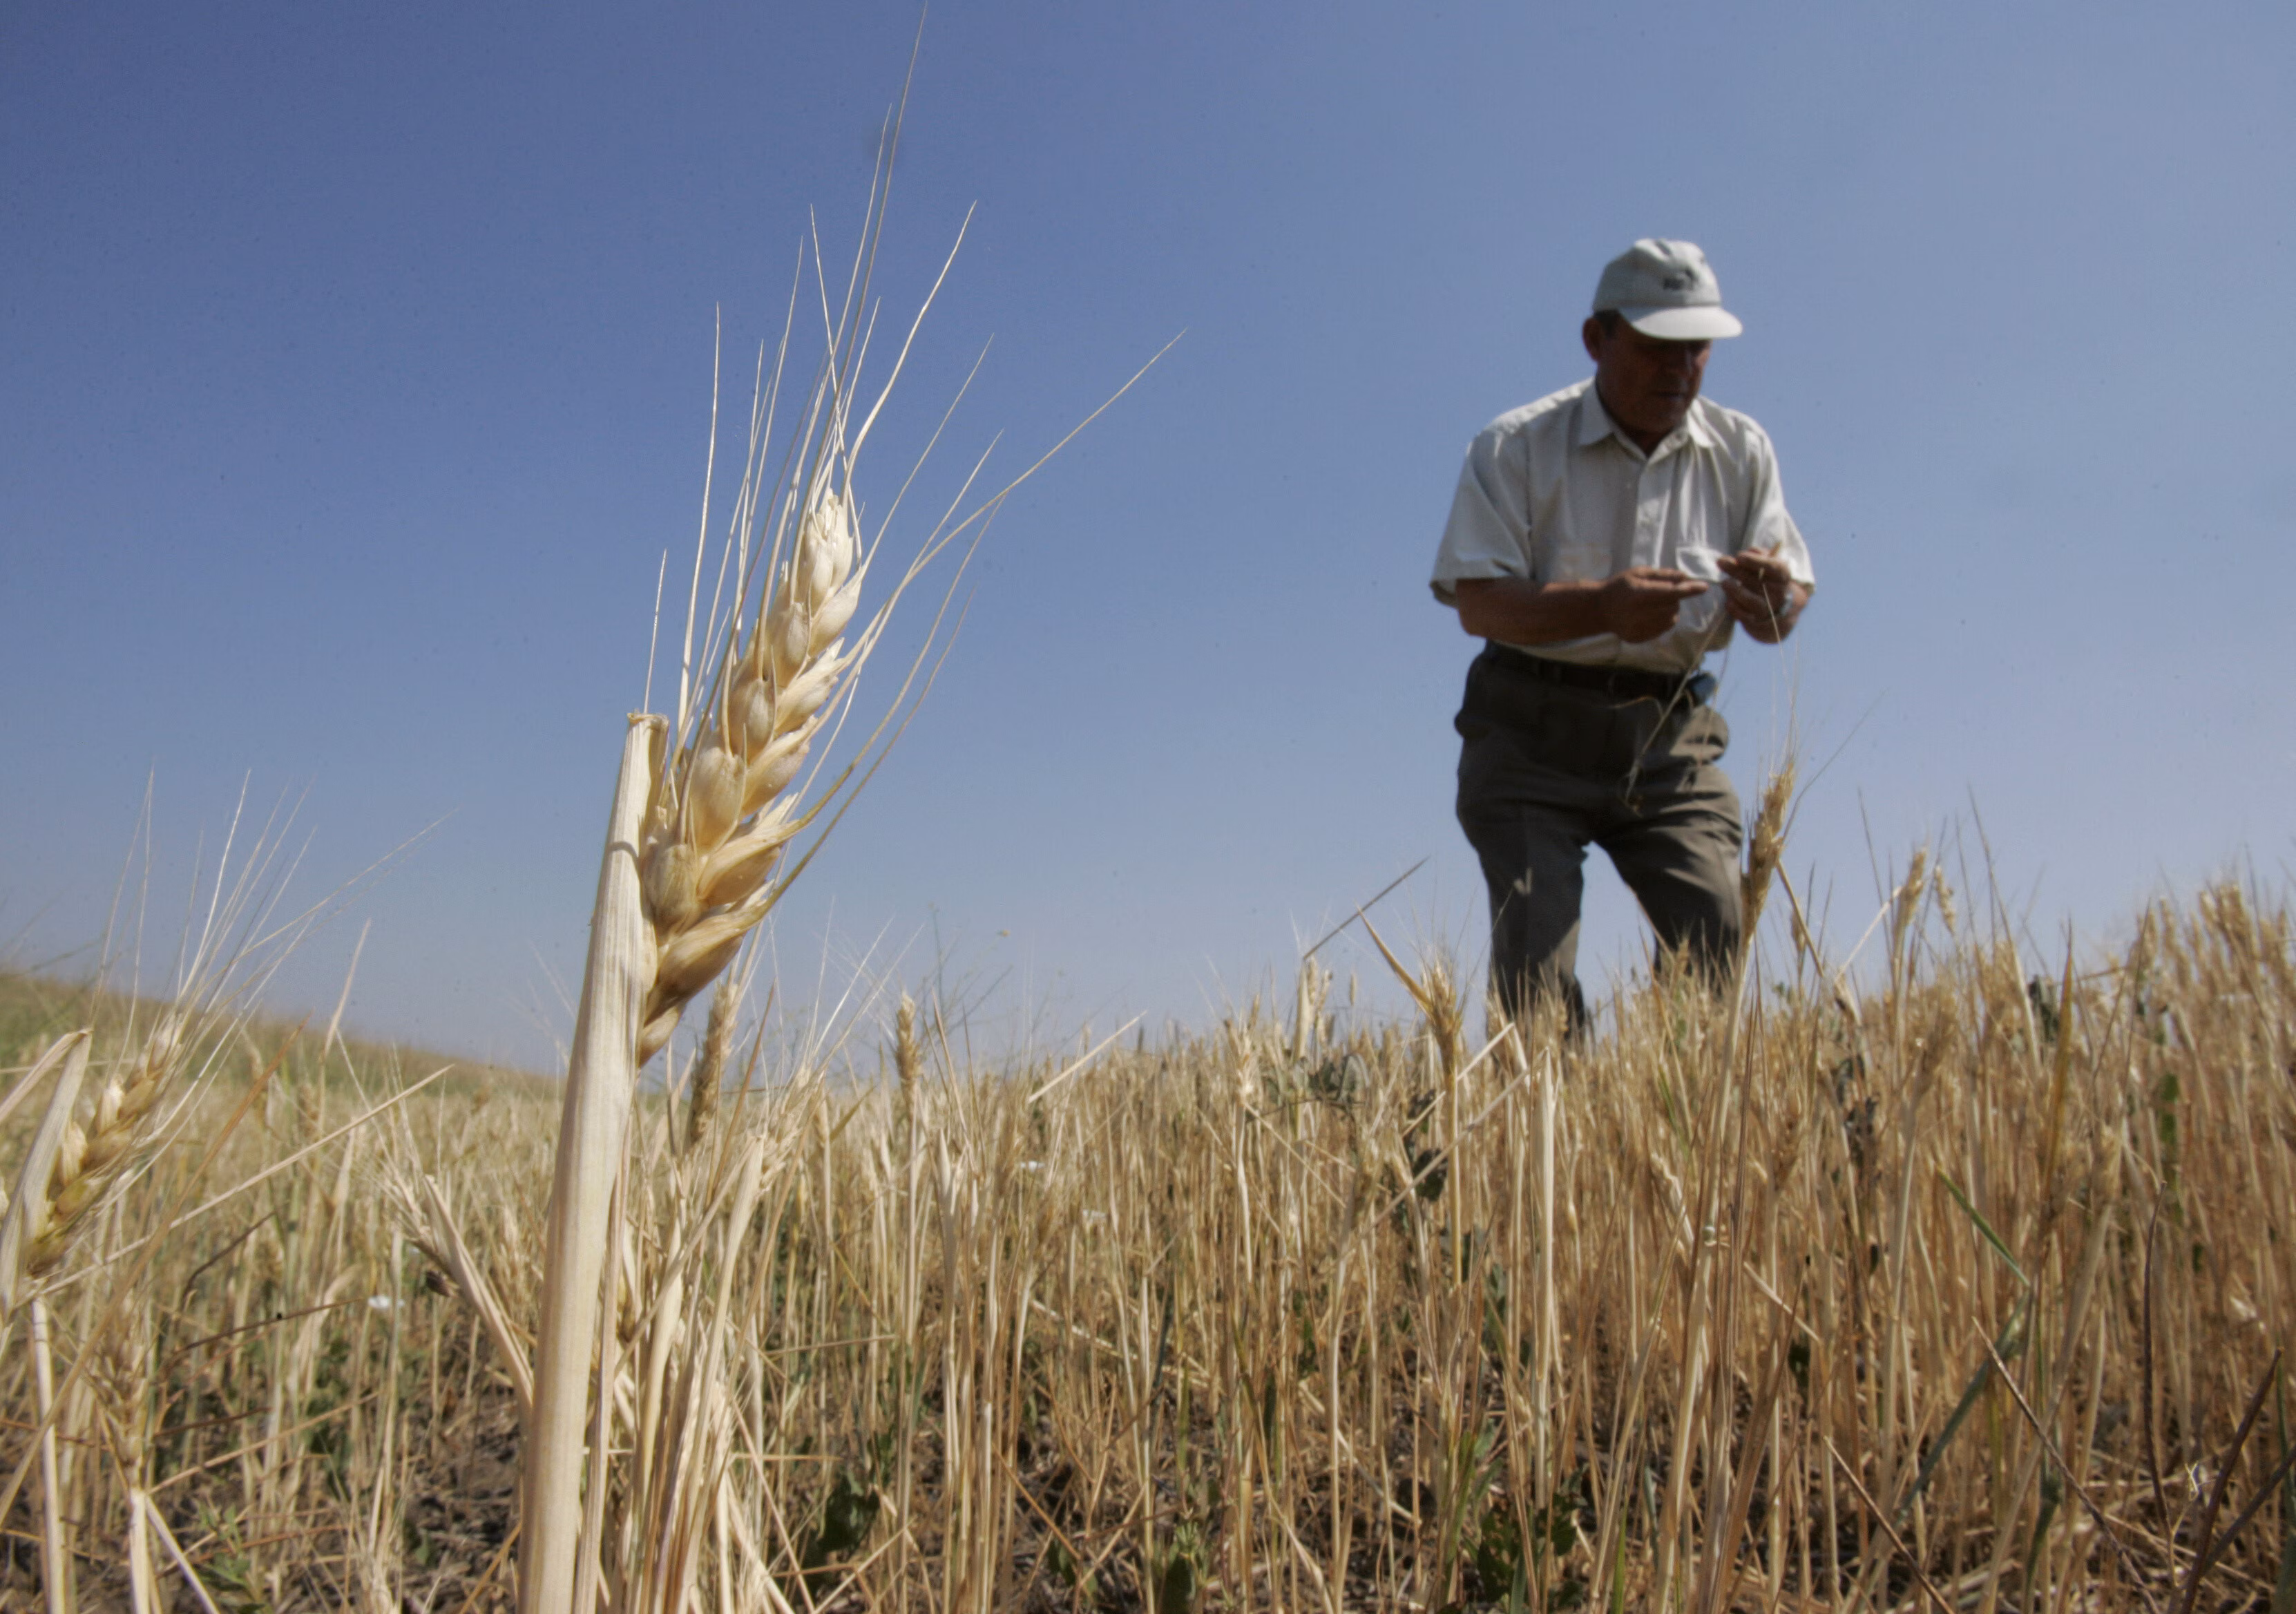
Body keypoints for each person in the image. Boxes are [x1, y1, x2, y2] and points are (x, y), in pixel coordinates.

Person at [1429, 238, 1814, 1027]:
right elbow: (1479, 605)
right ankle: (1551, 1139)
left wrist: (1775, 599)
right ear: (1596, 339)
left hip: (1670, 740)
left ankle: (1679, 1126)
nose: (1680, 366)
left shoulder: (1742, 451)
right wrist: (1601, 607)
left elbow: (1782, 612)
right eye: (1657, 345)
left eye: (1696, 347)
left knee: (1716, 936)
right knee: (1536, 976)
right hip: (1530, 735)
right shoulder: (1515, 446)